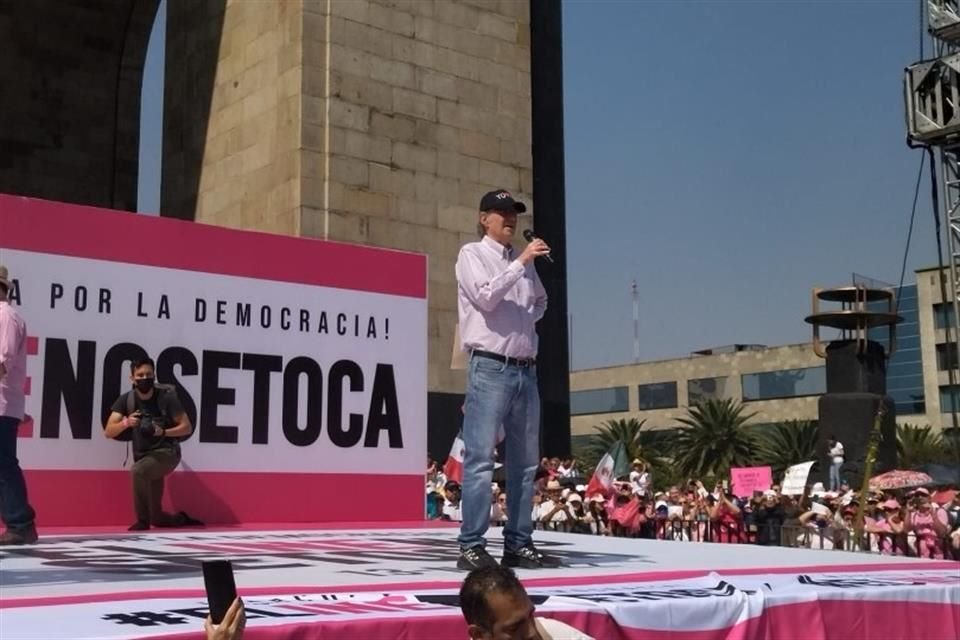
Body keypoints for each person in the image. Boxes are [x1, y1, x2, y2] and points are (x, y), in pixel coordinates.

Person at [454, 189, 558, 571]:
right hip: (490, 367)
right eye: (501, 213)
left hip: (526, 369)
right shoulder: (472, 254)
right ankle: (471, 544)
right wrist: (521, 264)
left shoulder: (522, 260)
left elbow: (542, 300)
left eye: (513, 213)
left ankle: (518, 542)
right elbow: (484, 297)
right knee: (481, 459)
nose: (510, 219)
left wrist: (525, 321)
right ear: (484, 219)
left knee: (525, 464)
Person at [103, 357, 202, 530]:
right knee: (157, 516)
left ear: (154, 375)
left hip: (167, 453)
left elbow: (186, 427)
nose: (144, 378)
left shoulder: (166, 398)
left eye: (149, 374)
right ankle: (180, 519)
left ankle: (142, 521)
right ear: (132, 378)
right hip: (144, 457)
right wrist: (126, 423)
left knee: (137, 471)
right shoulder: (127, 400)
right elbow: (108, 432)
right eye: (140, 375)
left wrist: (163, 432)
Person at [0, 265, 38, 545]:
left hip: (1, 404)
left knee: (3, 464)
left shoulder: (5, 317)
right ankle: (19, 520)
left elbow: (3, 362)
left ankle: (20, 522)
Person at [460, 565, 594, 640]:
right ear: (479, 635)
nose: (532, 632)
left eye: (531, 616)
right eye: (514, 628)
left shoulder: (558, 636)